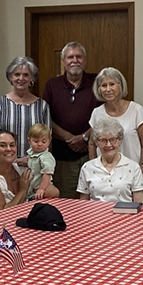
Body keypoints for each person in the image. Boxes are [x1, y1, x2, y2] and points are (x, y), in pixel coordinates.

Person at [43, 42, 101, 198]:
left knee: (92, 199)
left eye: (79, 56)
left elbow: (104, 115)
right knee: (66, 200)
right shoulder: (52, 85)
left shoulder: (97, 82)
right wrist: (68, 138)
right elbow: (45, 118)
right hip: (62, 157)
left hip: (92, 154)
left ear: (85, 60)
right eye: (70, 57)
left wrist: (84, 137)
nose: (75, 60)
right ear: (63, 61)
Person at [0, 56, 51, 164]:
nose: (21, 78)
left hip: (34, 165)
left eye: (26, 75)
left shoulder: (42, 106)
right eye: (17, 74)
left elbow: (47, 137)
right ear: (10, 77)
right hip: (5, 164)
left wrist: (29, 159)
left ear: (32, 78)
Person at [88, 67, 143, 168]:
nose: (108, 89)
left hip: (133, 172)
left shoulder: (136, 110)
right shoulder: (97, 113)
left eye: (112, 84)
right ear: (99, 89)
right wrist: (94, 167)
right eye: (104, 85)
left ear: (120, 86)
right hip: (106, 173)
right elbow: (92, 144)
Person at [78, 118, 143, 203]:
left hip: (125, 214)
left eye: (112, 139)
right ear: (97, 142)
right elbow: (83, 203)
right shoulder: (87, 167)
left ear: (120, 140)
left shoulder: (133, 167)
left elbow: (139, 204)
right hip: (95, 214)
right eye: (103, 140)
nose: (108, 145)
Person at [26, 124, 60, 200]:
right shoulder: (32, 153)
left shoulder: (46, 157)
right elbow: (31, 161)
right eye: (36, 141)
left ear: (49, 141)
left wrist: (42, 188)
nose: (40, 144)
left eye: (44, 141)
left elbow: (47, 174)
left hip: (43, 188)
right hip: (32, 187)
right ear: (29, 141)